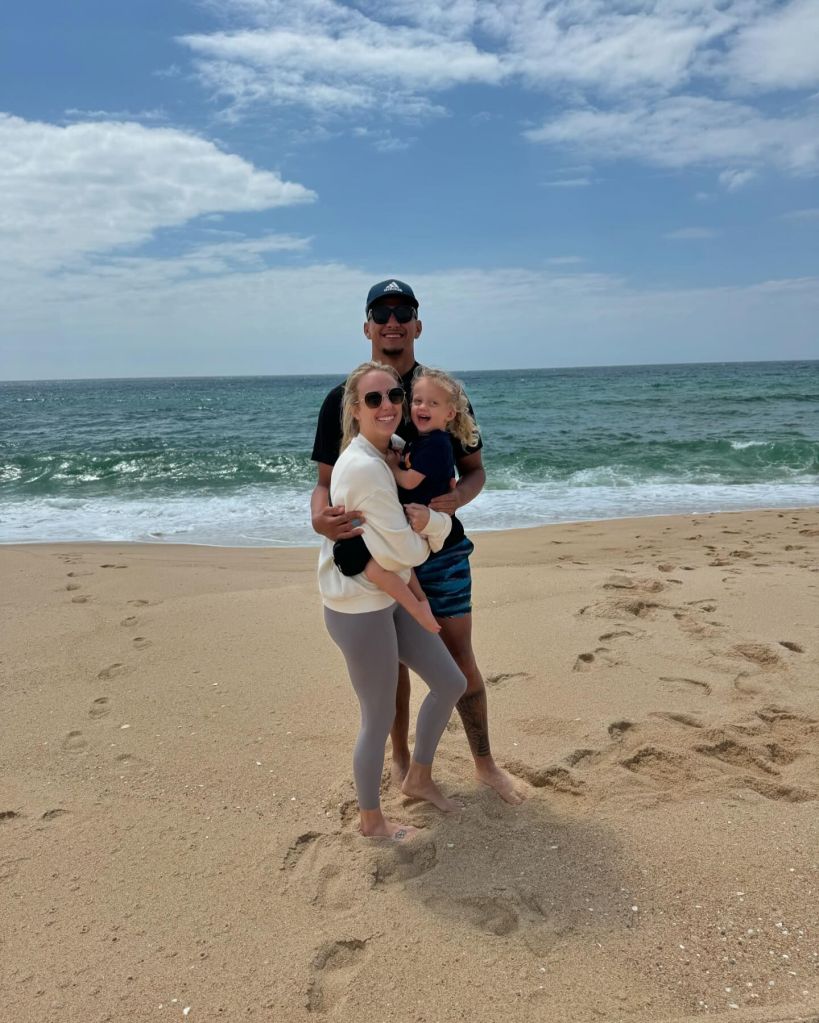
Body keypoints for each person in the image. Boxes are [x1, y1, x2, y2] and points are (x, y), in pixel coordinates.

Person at [311, 279, 526, 805]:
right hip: (380, 556)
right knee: (394, 668)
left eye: (402, 310)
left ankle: (485, 764)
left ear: (417, 324)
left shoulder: (444, 393)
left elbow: (474, 473)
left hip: (442, 551)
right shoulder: (345, 398)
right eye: (381, 311)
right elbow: (325, 482)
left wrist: (454, 503)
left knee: (459, 658)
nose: (392, 320)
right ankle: (405, 763)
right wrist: (321, 521)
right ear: (366, 326)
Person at [318, 360, 467, 840]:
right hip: (358, 608)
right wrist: (435, 530)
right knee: (378, 717)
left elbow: (404, 543)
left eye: (395, 397)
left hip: (391, 596)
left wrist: (427, 527)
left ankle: (418, 777)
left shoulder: (390, 451)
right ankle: (372, 821)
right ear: (355, 409)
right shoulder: (363, 466)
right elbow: (404, 548)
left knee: (450, 682)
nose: (389, 406)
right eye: (374, 399)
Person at [332, 366, 478, 636]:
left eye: (395, 395)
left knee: (457, 651)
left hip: (441, 553)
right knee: (414, 651)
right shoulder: (405, 442)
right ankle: (419, 604)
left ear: (449, 413)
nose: (423, 407)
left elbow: (414, 481)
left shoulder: (434, 443)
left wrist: (393, 467)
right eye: (418, 401)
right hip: (413, 550)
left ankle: (419, 605)